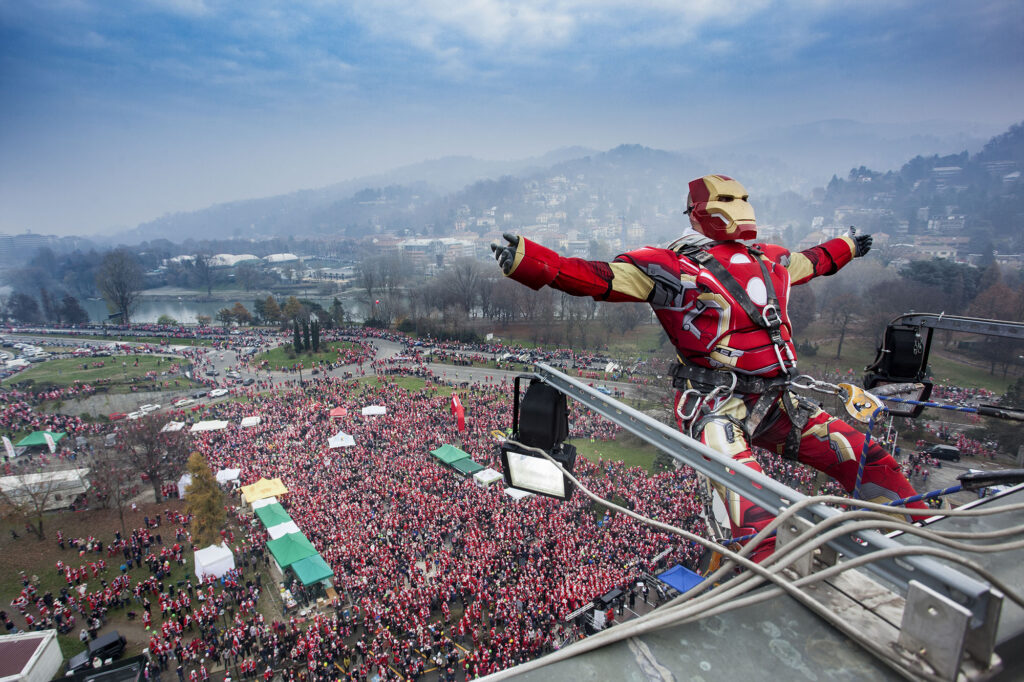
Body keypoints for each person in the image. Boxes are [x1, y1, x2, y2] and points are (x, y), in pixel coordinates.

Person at [491, 173, 926, 562]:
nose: (739, 204)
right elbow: (594, 276)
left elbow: (815, 260)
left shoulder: (769, 260)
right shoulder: (672, 267)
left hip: (777, 400)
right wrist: (531, 260)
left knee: (867, 459)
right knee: (753, 511)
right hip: (716, 405)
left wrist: (848, 246)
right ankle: (768, 595)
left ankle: (923, 538)